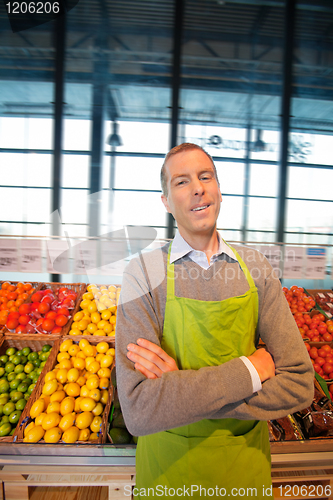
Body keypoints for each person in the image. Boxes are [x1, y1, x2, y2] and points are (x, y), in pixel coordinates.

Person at [115, 143, 314, 499]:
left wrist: (179, 392)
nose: (197, 188)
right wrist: (250, 372)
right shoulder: (142, 274)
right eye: (181, 181)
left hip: (243, 469)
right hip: (168, 471)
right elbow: (141, 411)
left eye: (206, 177)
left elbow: (300, 383)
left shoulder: (256, 268)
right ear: (166, 201)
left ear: (219, 190)